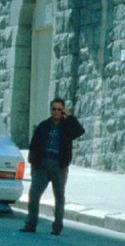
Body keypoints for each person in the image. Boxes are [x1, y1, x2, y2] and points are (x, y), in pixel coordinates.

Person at [20, 97, 85, 235]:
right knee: (34, 194)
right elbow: (34, 145)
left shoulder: (67, 126)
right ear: (50, 110)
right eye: (54, 109)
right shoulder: (43, 126)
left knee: (59, 197)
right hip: (42, 164)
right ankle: (30, 224)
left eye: (59, 109)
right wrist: (33, 164)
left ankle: (57, 227)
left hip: (59, 165)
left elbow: (79, 131)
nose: (56, 112)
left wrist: (70, 116)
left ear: (63, 111)